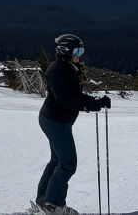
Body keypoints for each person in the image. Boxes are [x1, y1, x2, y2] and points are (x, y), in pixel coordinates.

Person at [33, 34, 111, 215]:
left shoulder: (68, 68)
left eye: (81, 50)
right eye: (77, 51)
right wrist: (88, 105)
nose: (80, 54)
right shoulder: (56, 71)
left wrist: (95, 101)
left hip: (57, 120)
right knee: (68, 164)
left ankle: (42, 200)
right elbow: (62, 99)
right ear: (65, 51)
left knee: (56, 162)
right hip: (55, 121)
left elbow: (74, 95)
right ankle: (53, 206)